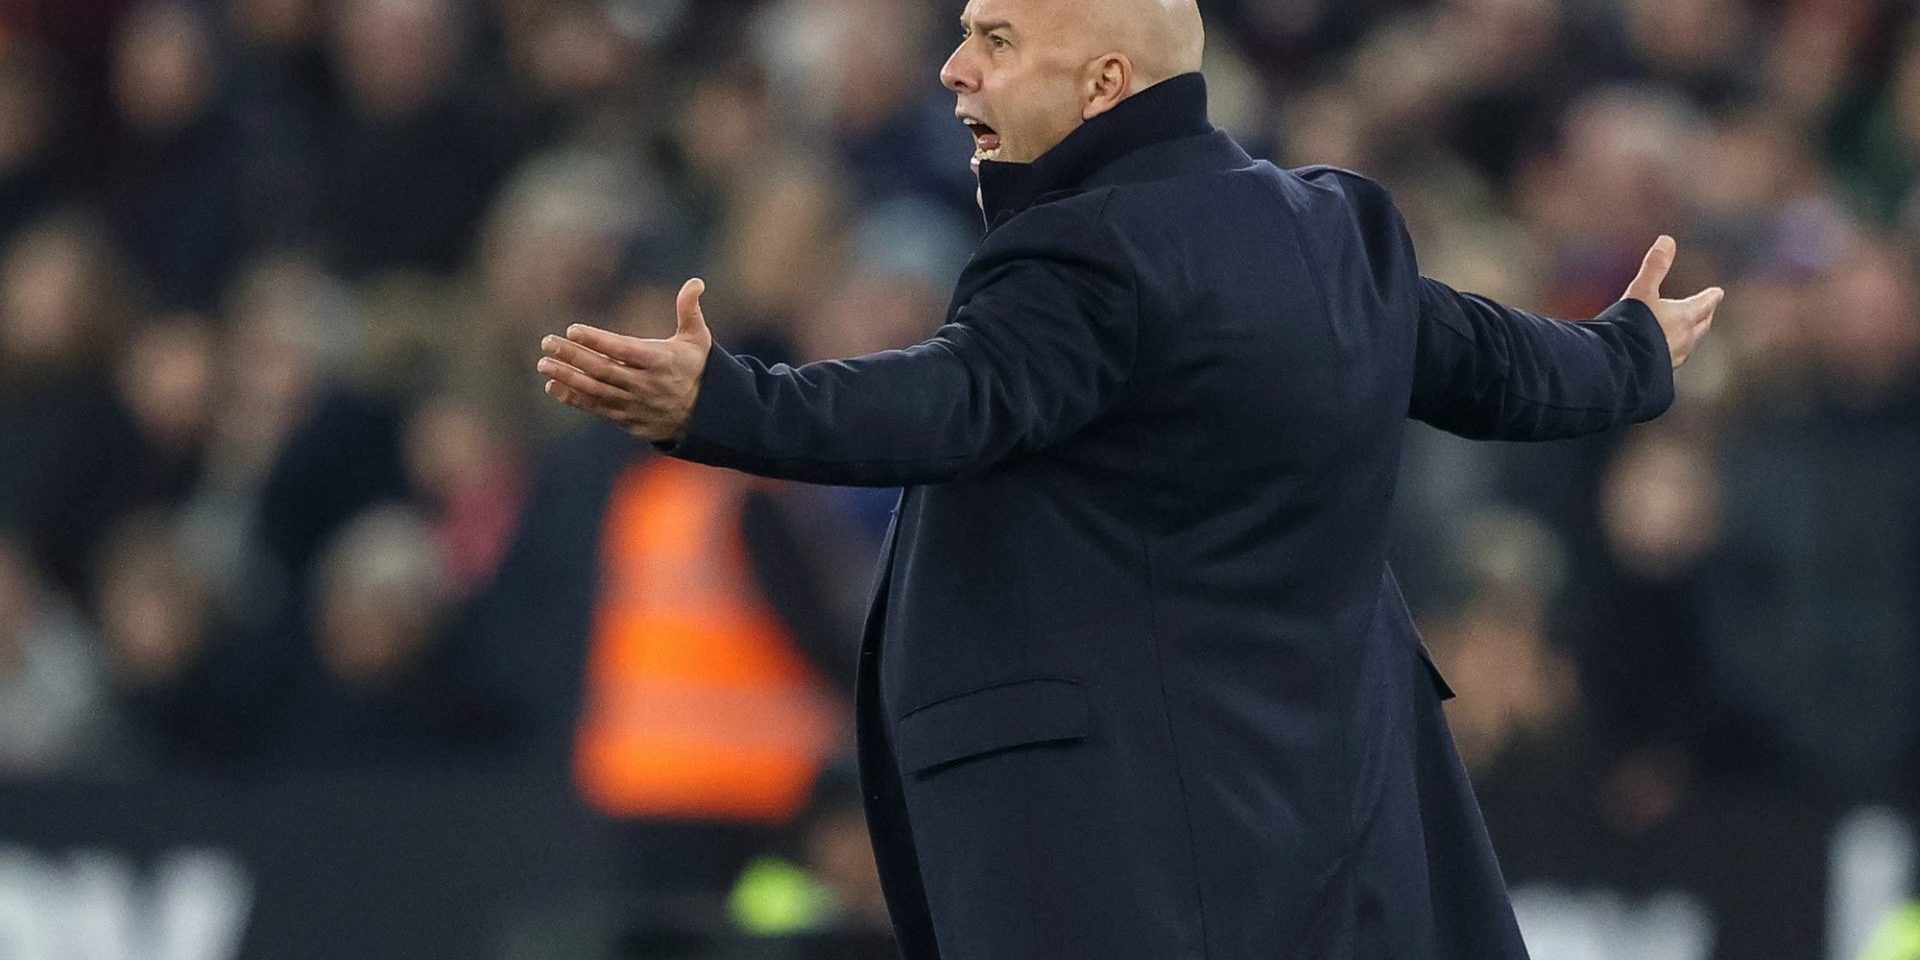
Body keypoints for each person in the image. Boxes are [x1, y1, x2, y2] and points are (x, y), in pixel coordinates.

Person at [534, 0, 1723, 956]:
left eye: (995, 40)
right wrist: (1632, 353)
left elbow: (955, 399)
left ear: (1104, 85)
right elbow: (1499, 366)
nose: (953, 69)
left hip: (1121, 865)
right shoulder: (1334, 234)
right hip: (1337, 839)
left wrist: (726, 400)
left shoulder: (1084, 253)